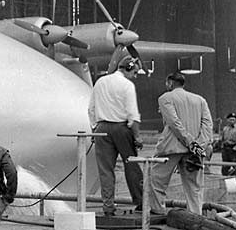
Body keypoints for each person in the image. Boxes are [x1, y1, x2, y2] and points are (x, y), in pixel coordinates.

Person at [148, 73, 213, 215]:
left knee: (156, 179)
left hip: (171, 148)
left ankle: (158, 211)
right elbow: (207, 125)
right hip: (194, 151)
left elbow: (174, 123)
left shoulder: (165, 98)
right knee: (194, 187)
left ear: (170, 83)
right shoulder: (200, 100)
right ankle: (196, 216)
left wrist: (190, 142)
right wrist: (198, 146)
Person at [87, 57, 143, 216]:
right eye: (135, 72)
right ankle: (141, 202)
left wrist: (94, 128)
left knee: (105, 170)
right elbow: (133, 114)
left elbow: (91, 109)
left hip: (101, 127)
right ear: (128, 69)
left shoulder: (100, 82)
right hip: (122, 127)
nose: (136, 76)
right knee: (132, 166)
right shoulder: (127, 85)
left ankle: (108, 207)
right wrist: (137, 136)